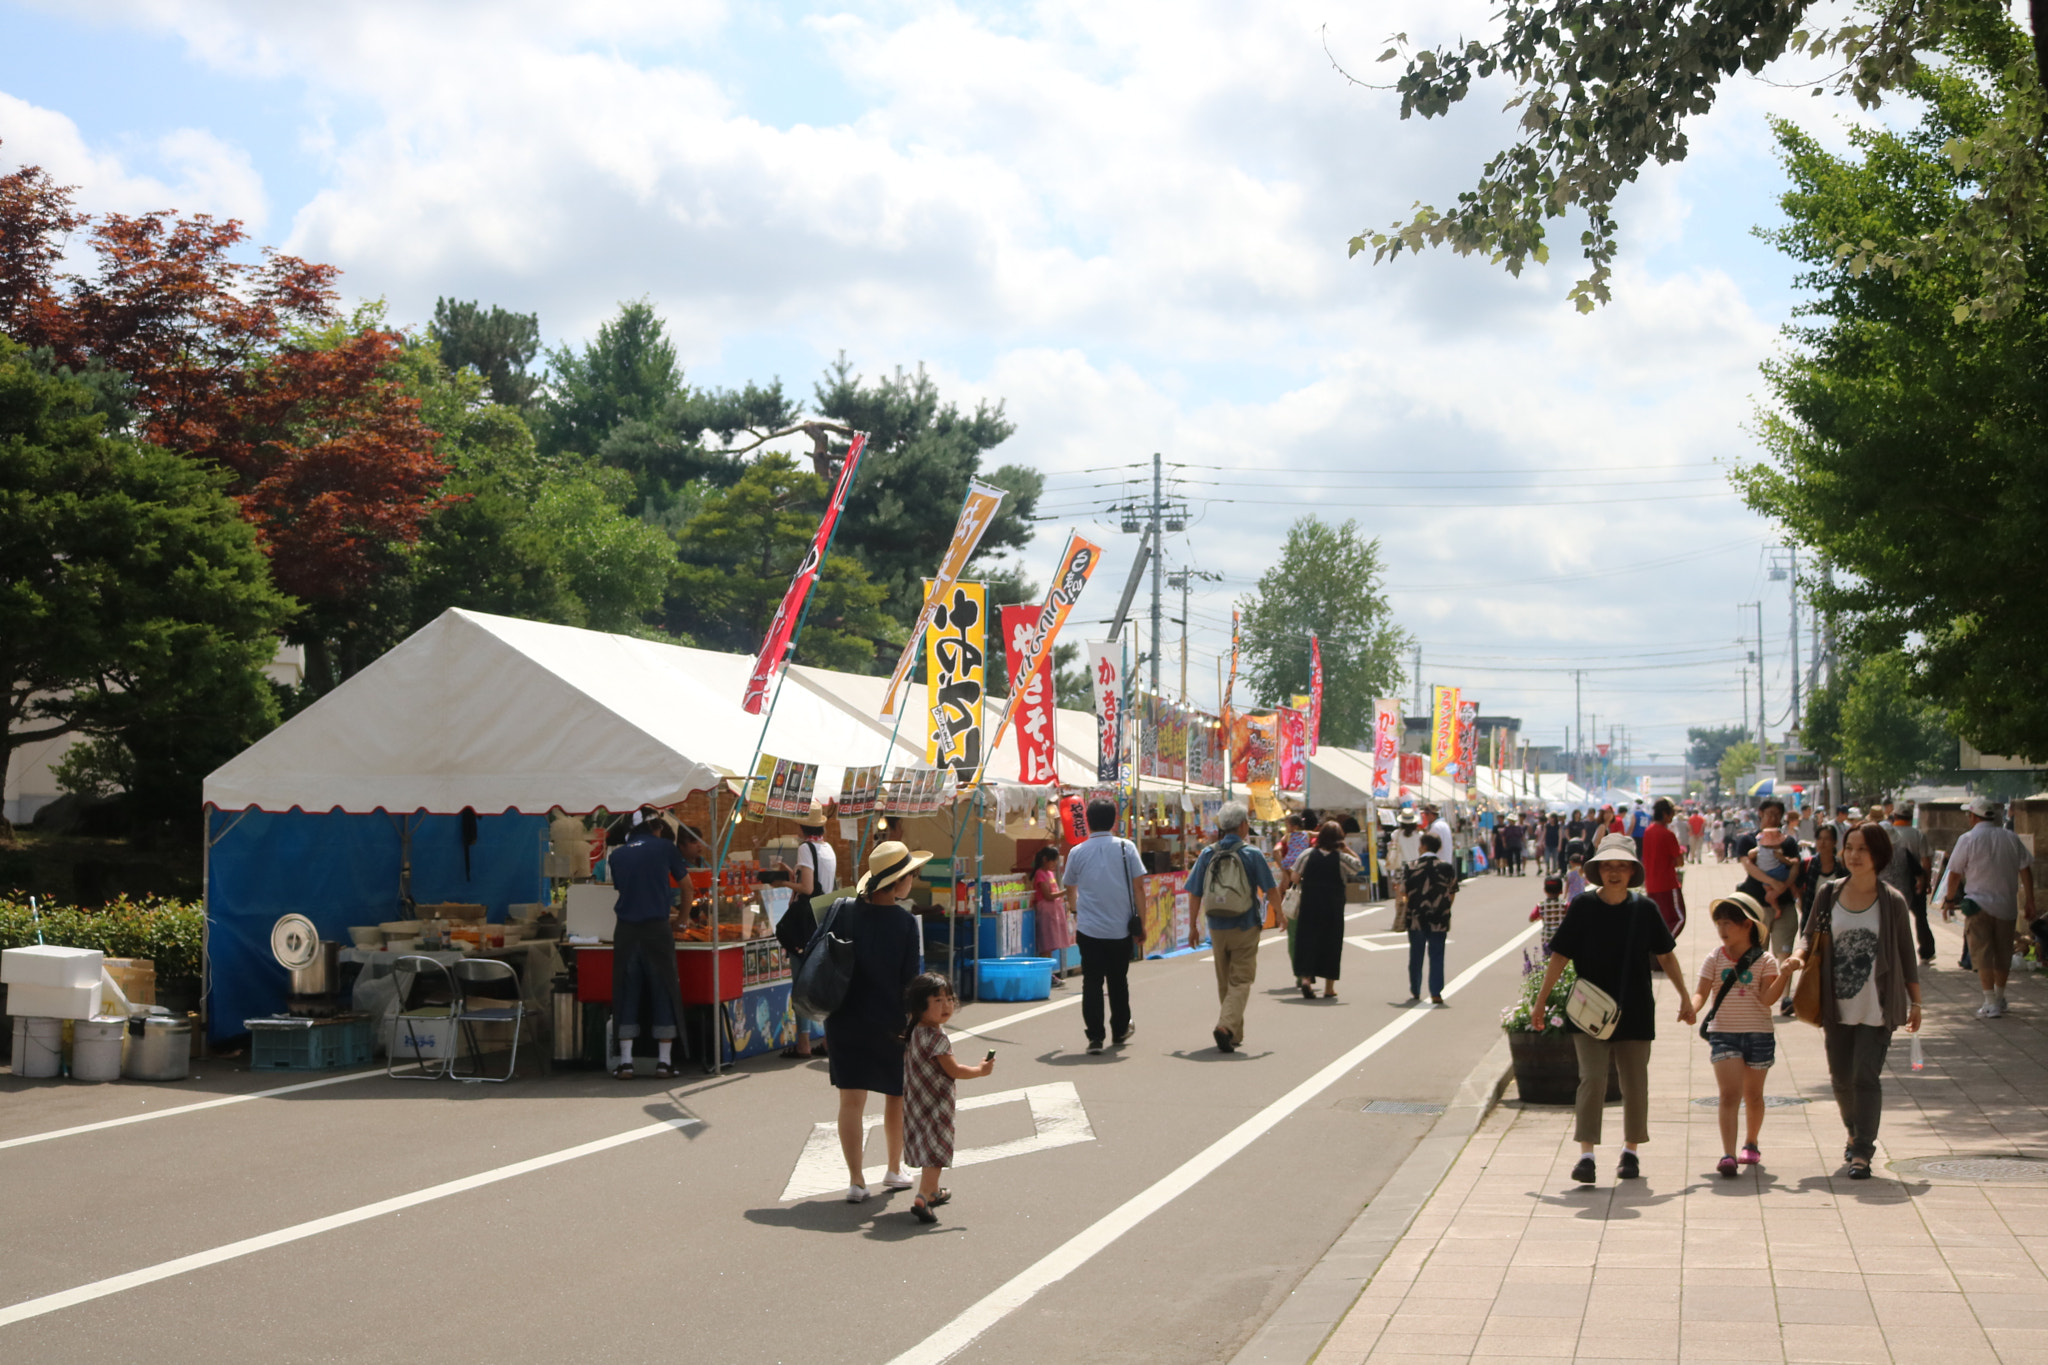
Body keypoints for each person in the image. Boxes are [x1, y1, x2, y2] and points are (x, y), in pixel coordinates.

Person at [1530, 834, 1695, 1185]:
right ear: (1597, 870)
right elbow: (1560, 954)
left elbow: (1666, 954)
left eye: (1622, 866)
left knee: (1635, 1082)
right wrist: (1541, 1000)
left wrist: (1684, 996)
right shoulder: (1584, 907)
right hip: (1588, 1009)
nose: (1615, 872)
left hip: (1635, 1009)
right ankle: (1586, 1155)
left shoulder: (1644, 909)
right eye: (1608, 865)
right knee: (1592, 1078)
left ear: (1632, 871)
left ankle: (1631, 1151)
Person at [1784, 823, 1923, 1178]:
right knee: (1841, 1078)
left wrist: (1916, 1003)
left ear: (1879, 855)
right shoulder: (1829, 894)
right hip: (1836, 1004)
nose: (1854, 855)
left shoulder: (1891, 901)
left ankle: (1862, 1150)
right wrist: (1797, 958)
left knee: (1865, 1076)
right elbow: (1809, 935)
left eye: (1862, 849)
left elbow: (1907, 955)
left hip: (1877, 1004)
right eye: (1850, 848)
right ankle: (1852, 1132)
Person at [827, 840, 929, 1202]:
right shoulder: (904, 923)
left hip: (843, 1019)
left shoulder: (843, 913)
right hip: (890, 1023)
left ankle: (856, 1180)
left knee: (851, 1101)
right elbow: (910, 982)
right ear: (899, 883)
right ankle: (893, 1167)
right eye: (911, 876)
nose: (912, 882)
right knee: (895, 1096)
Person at [1690, 894, 1786, 1176]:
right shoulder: (1715, 957)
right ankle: (1728, 1154)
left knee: (1753, 1095)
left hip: (1759, 1034)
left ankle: (1751, 1142)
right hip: (1724, 1034)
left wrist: (1786, 974)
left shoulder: (1766, 960)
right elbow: (1701, 991)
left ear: (1747, 925)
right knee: (1729, 1095)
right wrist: (1692, 1008)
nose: (1722, 930)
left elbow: (1768, 998)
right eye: (1718, 923)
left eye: (1728, 923)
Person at [605, 811, 697, 1078]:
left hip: (626, 930)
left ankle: (625, 1063)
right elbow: (687, 887)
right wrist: (682, 919)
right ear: (655, 827)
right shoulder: (665, 848)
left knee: (627, 990)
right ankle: (664, 1062)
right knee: (663, 988)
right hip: (657, 929)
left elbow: (628, 890)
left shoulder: (617, 855)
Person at [900, 971, 995, 1224]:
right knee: (937, 1152)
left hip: (914, 1102)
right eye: (938, 1001)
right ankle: (924, 1196)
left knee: (926, 1147)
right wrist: (980, 1071)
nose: (947, 1006)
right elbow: (953, 1070)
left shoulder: (914, 1031)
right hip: (936, 1104)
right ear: (921, 1006)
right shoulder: (936, 1038)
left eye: (949, 999)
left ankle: (932, 1190)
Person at [1186, 800, 1277, 1053]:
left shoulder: (1207, 853)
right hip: (1244, 924)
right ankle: (1226, 1026)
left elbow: (1194, 892)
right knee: (1241, 980)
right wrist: (1279, 914)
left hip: (1216, 925)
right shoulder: (1251, 854)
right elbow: (1270, 888)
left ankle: (1235, 1034)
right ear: (1243, 825)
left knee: (1225, 980)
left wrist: (1193, 926)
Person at [1938, 795, 2037, 1018]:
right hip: (2006, 905)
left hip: (1977, 904)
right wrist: (2030, 900)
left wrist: (1949, 898)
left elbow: (1954, 873)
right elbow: (2026, 869)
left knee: (1983, 953)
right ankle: (2000, 997)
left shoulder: (1967, 839)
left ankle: (1990, 1001)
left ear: (1973, 816)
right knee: (2003, 953)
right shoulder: (2010, 837)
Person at [1063, 798, 1146, 1054]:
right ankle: (1120, 1030)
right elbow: (1139, 888)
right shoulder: (1126, 848)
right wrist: (1140, 922)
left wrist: (1076, 909)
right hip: (1120, 927)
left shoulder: (1078, 851)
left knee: (1092, 982)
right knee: (1118, 981)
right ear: (1114, 819)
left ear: (1088, 820)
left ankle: (1095, 1037)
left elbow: (1069, 886)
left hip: (1089, 928)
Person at [1290, 820, 1353, 999]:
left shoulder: (1307, 854)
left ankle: (1306, 980)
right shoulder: (1341, 858)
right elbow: (1357, 866)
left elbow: (1294, 877)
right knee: (1331, 944)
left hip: (1310, 905)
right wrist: (1346, 849)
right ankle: (1328, 988)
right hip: (1333, 907)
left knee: (1307, 941)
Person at [1403, 832, 1460, 1006]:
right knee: (1436, 954)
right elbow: (1452, 892)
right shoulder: (1446, 867)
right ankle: (1436, 992)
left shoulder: (1411, 866)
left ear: (1424, 846)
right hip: (1439, 918)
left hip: (1415, 917)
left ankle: (1415, 988)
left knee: (1416, 953)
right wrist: (1444, 908)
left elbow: (1404, 891)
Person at [1885, 805, 1936, 964]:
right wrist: (1926, 881)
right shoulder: (1918, 834)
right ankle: (1926, 952)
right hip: (1914, 881)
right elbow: (1926, 861)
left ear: (1895, 815)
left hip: (1890, 882)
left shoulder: (1889, 833)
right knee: (1921, 918)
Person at [1641, 797, 1687, 936]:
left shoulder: (1648, 831)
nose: (1672, 816)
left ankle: (1656, 949)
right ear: (1665, 814)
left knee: (1657, 920)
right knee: (1678, 918)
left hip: (1651, 884)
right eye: (1671, 813)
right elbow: (1679, 862)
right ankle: (1663, 948)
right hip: (1667, 884)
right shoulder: (1668, 834)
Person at [1530, 874, 1569, 954]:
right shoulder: (1565, 904)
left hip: (1547, 938)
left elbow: (1531, 918)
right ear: (1561, 891)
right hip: (1562, 937)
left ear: (1544, 890)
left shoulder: (1540, 905)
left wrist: (1539, 917)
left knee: (1548, 959)